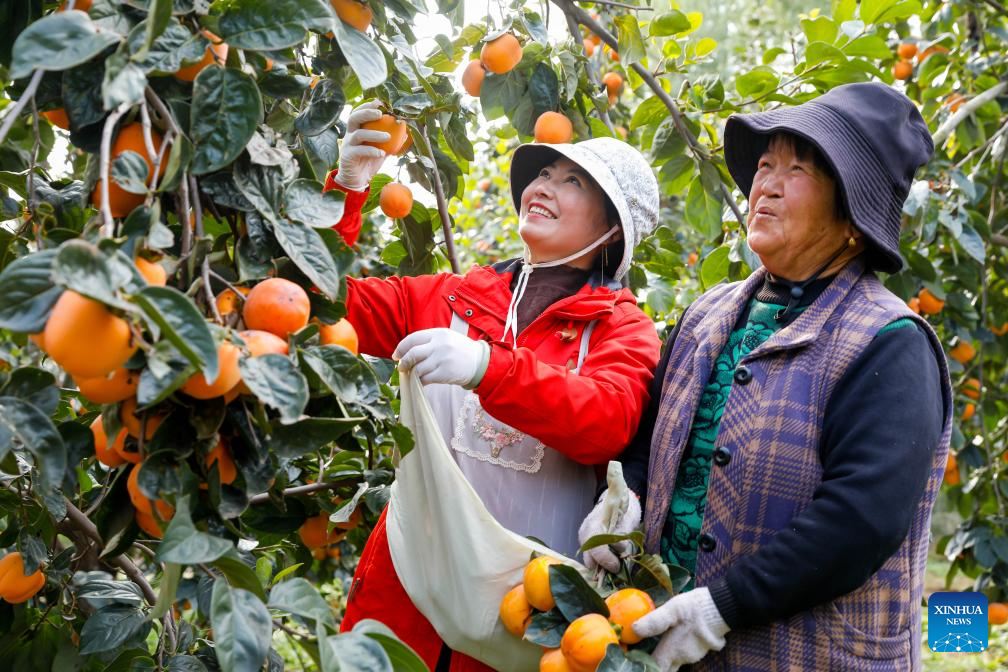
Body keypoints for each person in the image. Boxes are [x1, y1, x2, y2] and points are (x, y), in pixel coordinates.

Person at [579, 82, 951, 671]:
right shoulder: (707, 315)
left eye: (797, 169)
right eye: (766, 164)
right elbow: (651, 444)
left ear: (851, 216)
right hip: (661, 643)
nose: (765, 184)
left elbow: (860, 520)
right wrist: (623, 502)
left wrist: (723, 606)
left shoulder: (889, 342)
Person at [325, 101, 662, 671]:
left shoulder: (619, 327)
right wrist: (344, 195)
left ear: (612, 230)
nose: (544, 185)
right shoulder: (450, 298)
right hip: (403, 590)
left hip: (525, 613)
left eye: (572, 179)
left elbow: (608, 420)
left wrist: (489, 368)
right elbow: (319, 304)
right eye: (544, 173)